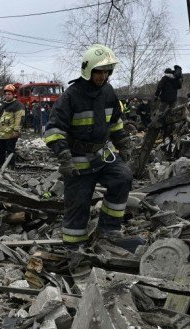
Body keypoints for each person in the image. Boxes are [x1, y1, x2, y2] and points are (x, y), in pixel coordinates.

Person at [42, 44, 137, 248]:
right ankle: (73, 248)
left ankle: (109, 230)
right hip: (77, 161)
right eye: (99, 72)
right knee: (78, 204)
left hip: (103, 156)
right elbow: (53, 130)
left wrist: (124, 144)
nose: (103, 77)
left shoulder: (109, 92)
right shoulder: (71, 96)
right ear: (89, 70)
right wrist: (65, 159)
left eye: (106, 72)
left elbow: (116, 123)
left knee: (122, 177)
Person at [0, 84, 25, 168]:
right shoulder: (4, 104)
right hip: (1, 134)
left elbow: (19, 119)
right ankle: (1, 167)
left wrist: (16, 131)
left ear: (13, 94)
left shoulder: (18, 105)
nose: (7, 96)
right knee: (0, 151)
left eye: (9, 94)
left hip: (10, 134)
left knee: (10, 151)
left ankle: (11, 167)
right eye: (6, 94)